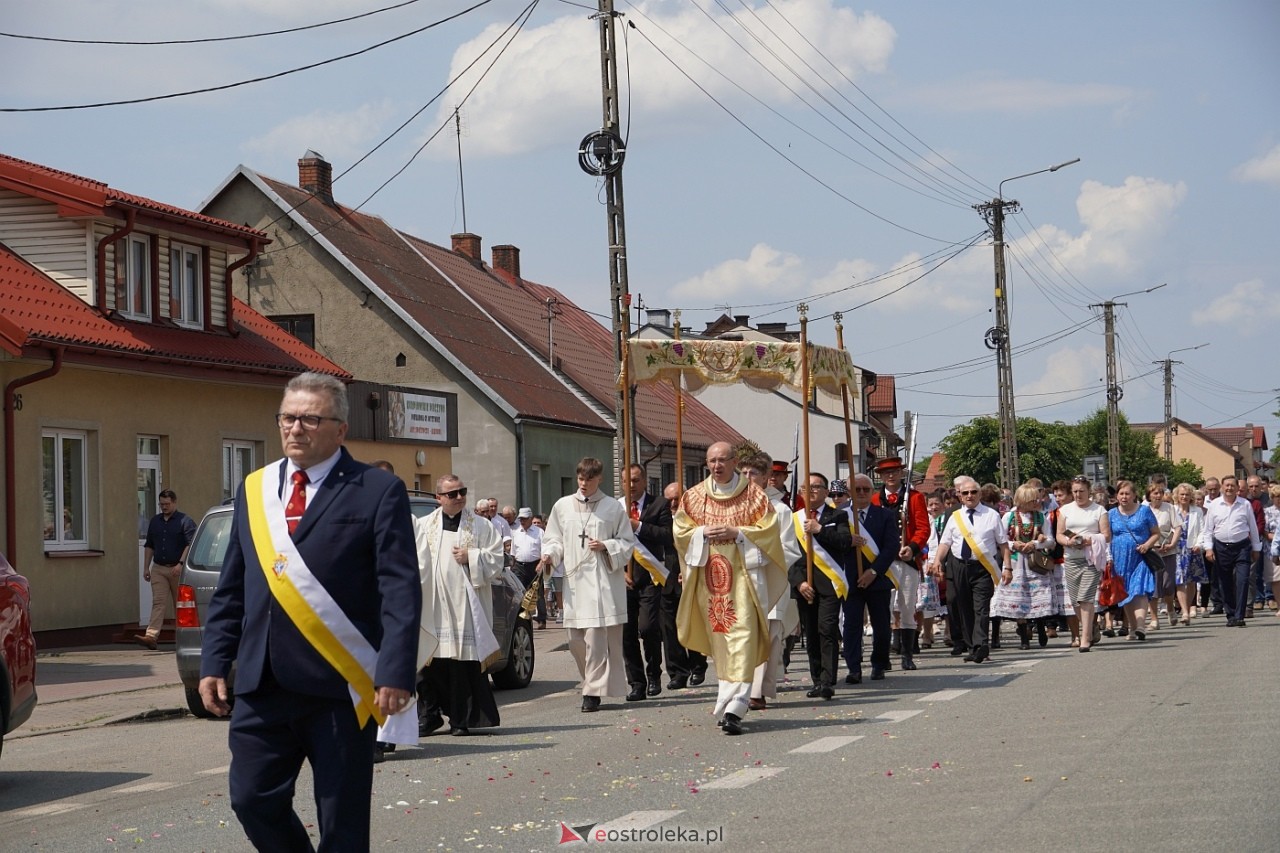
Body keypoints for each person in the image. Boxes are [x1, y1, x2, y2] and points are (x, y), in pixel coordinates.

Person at [199, 371, 421, 852]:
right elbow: (232, 587)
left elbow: (399, 589)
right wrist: (215, 662)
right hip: (263, 683)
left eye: (309, 419)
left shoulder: (377, 490)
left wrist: (395, 670)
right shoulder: (254, 490)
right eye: (287, 418)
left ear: (340, 429)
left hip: (339, 687)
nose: (295, 429)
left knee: (342, 821)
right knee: (251, 799)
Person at [673, 442, 788, 735]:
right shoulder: (695, 496)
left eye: (722, 460)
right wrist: (701, 533)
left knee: (744, 638)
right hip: (711, 583)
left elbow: (769, 533)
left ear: (734, 461)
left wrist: (738, 533)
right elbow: (680, 531)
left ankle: (736, 705)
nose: (716, 465)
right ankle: (727, 700)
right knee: (722, 640)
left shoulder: (754, 496)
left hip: (746, 580)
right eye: (711, 460)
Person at [539, 457, 634, 712]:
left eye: (589, 479)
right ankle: (590, 680)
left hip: (601, 585)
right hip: (574, 584)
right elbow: (554, 539)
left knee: (596, 640)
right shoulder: (563, 506)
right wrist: (549, 555)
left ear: (599, 479)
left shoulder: (612, 508)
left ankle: (591, 693)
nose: (583, 483)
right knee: (575, 641)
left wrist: (607, 546)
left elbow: (627, 544)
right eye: (580, 478)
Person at [416, 475, 504, 737]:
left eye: (462, 492)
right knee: (429, 665)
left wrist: (472, 557)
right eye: (452, 494)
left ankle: (460, 720)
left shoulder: (480, 526)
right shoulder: (423, 526)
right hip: (433, 605)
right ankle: (429, 716)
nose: (459, 497)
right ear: (438, 498)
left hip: (466, 606)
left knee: (460, 667)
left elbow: (497, 559)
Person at [930, 475, 1011, 663]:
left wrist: (1007, 567)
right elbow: (945, 543)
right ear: (960, 496)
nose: (969, 495)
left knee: (981, 607)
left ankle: (982, 644)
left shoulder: (991, 514)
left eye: (973, 492)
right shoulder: (954, 516)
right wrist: (937, 562)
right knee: (964, 607)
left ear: (979, 493)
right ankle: (972, 646)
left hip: (982, 567)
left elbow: (1003, 544)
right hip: (959, 566)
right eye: (965, 493)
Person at [741, 454, 800, 710]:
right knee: (742, 637)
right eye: (743, 473)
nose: (747, 479)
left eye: (753, 474)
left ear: (766, 478)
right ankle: (740, 687)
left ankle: (758, 691)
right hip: (740, 582)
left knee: (768, 636)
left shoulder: (781, 510)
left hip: (770, 580)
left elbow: (789, 550)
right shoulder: (734, 508)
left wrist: (757, 558)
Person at [789, 472, 851, 698]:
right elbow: (788, 555)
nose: (811, 491)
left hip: (830, 584)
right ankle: (816, 680)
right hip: (805, 585)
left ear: (826, 492)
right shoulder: (793, 519)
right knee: (812, 634)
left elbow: (845, 543)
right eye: (807, 488)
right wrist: (798, 582)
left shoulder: (839, 515)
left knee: (827, 630)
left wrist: (820, 530)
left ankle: (828, 681)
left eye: (817, 487)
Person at [870, 456, 929, 670]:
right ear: (881, 476)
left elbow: (923, 528)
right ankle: (882, 656)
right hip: (882, 562)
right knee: (882, 609)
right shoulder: (875, 499)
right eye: (886, 473)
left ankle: (907, 654)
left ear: (901, 473)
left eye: (894, 471)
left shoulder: (914, 497)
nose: (891, 475)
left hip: (906, 560)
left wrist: (912, 548)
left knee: (906, 607)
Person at [842, 473, 899, 681]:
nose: (862, 493)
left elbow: (891, 546)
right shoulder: (840, 515)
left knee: (882, 625)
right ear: (849, 492)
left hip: (878, 578)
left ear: (873, 491)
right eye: (857, 489)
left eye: (866, 489)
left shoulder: (885, 515)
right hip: (850, 579)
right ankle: (854, 668)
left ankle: (879, 663)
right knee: (852, 625)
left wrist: (874, 571)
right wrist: (848, 541)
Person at [621, 463, 668, 701]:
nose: (632, 485)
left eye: (636, 480)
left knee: (648, 628)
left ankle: (654, 674)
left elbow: (667, 536)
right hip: (624, 579)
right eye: (627, 481)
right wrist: (620, 571)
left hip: (650, 576)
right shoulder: (615, 508)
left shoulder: (659, 504)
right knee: (626, 634)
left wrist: (639, 526)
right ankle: (636, 682)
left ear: (645, 480)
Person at [990, 483, 1055, 649]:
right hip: (1015, 562)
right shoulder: (1009, 517)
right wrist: (1014, 545)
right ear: (1024, 500)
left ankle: (1040, 628)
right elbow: (1001, 540)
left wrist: (1034, 543)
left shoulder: (1041, 517)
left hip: (1035, 563)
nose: (1037, 502)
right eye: (1033, 500)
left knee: (1037, 596)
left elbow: (1050, 540)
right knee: (1019, 599)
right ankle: (1024, 638)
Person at [137, 489, 197, 650]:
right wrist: (146, 568)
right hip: (159, 568)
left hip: (178, 569)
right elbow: (149, 545)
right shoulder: (155, 521)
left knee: (181, 605)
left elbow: (190, 544)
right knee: (158, 602)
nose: (164, 507)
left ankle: (185, 638)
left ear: (174, 503)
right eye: (161, 504)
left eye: (167, 504)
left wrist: (181, 564)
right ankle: (151, 636)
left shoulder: (185, 521)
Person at [1200, 476, 1262, 627]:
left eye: (1232, 486)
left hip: (1242, 547)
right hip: (1221, 547)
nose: (1229, 488)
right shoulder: (1214, 505)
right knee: (1224, 582)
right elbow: (1208, 530)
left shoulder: (1245, 504)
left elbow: (1253, 528)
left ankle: (1240, 616)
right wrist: (1208, 548)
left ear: (1237, 488)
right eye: (1227, 485)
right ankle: (1231, 614)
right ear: (1222, 487)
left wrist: (1256, 548)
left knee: (1242, 580)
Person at [1057, 476, 1110, 652]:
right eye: (1075, 491)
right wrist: (1068, 541)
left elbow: (1106, 535)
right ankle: (1091, 626)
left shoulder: (1099, 510)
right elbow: (1059, 534)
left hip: (1091, 558)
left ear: (1089, 492)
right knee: (1075, 600)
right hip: (1071, 558)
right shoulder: (1065, 510)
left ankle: (1085, 638)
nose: (1078, 494)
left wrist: (1089, 540)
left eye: (1082, 491)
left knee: (1085, 598)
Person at [1107, 480, 1160, 641]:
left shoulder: (1144, 511)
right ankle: (1132, 628)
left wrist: (1147, 545)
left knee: (1140, 589)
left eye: (1127, 493)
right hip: (1119, 559)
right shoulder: (1111, 514)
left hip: (1140, 557)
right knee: (1125, 594)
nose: (1124, 497)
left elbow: (1156, 533)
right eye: (1121, 494)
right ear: (1116, 496)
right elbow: (1107, 537)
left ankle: (1141, 626)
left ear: (1134, 495)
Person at [1144, 476, 1181, 629]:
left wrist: (1172, 543)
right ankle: (1154, 619)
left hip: (1168, 550)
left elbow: (1178, 526)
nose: (1157, 496)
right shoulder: (1143, 510)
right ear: (1149, 496)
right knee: (1153, 586)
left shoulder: (1169, 508)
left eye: (1160, 493)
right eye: (1154, 493)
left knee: (1167, 583)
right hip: (1151, 551)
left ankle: (1170, 609)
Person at [1172, 483, 1206, 625]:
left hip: (1193, 549)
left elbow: (1202, 530)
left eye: (1187, 494)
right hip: (1177, 549)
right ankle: (1185, 612)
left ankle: (1188, 605)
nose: (1184, 497)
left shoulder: (1197, 511)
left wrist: (1199, 544)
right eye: (1182, 494)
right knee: (1179, 581)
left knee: (1191, 581)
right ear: (1177, 496)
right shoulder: (1172, 510)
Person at [510, 507, 547, 628]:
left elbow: (544, 549)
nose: (522, 521)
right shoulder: (515, 532)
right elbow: (513, 551)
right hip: (520, 566)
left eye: (525, 519)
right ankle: (522, 617)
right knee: (519, 592)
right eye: (521, 519)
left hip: (535, 565)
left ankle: (542, 619)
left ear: (531, 519)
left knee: (537, 592)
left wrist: (541, 563)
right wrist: (513, 564)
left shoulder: (539, 532)